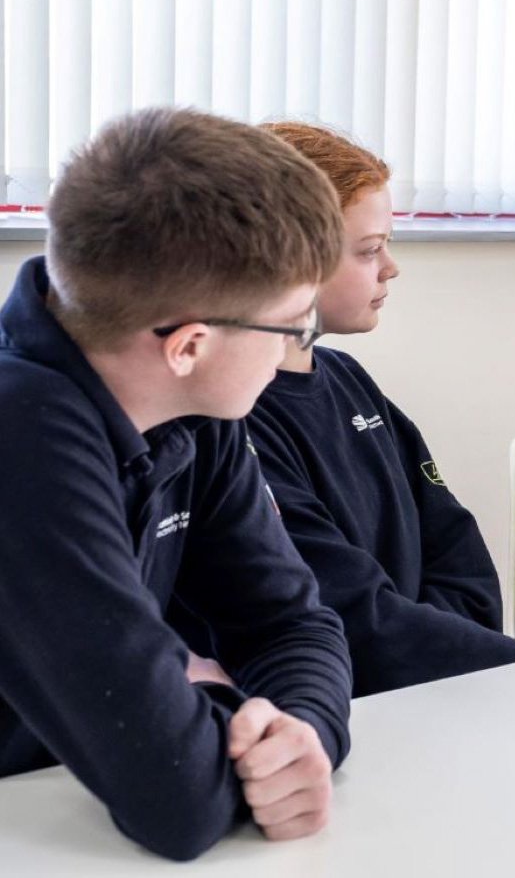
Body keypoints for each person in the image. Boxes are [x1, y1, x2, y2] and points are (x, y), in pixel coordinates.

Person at [0, 108, 354, 860]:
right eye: (294, 326)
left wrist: (302, 733)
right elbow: (176, 797)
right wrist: (220, 705)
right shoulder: (20, 433)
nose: (299, 349)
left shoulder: (194, 412)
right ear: (189, 344)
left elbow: (292, 623)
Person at [244, 122, 515, 696]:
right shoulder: (239, 420)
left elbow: (461, 562)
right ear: (289, 259)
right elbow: (355, 621)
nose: (391, 267)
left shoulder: (350, 381)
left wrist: (449, 651)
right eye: (368, 250)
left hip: (431, 691)